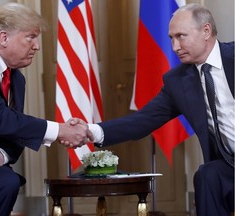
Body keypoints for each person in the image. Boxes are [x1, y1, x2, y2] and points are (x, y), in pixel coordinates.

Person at [70, 3, 234, 216]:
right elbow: (142, 121)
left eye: (181, 36)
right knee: (208, 175)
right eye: (171, 38)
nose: (175, 46)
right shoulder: (179, 81)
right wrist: (91, 131)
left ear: (206, 31)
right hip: (229, 167)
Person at [0, 3, 92, 216]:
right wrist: (60, 130)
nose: (37, 46)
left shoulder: (16, 78)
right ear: (4, 38)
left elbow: (15, 130)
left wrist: (0, 154)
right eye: (30, 37)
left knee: (5, 181)